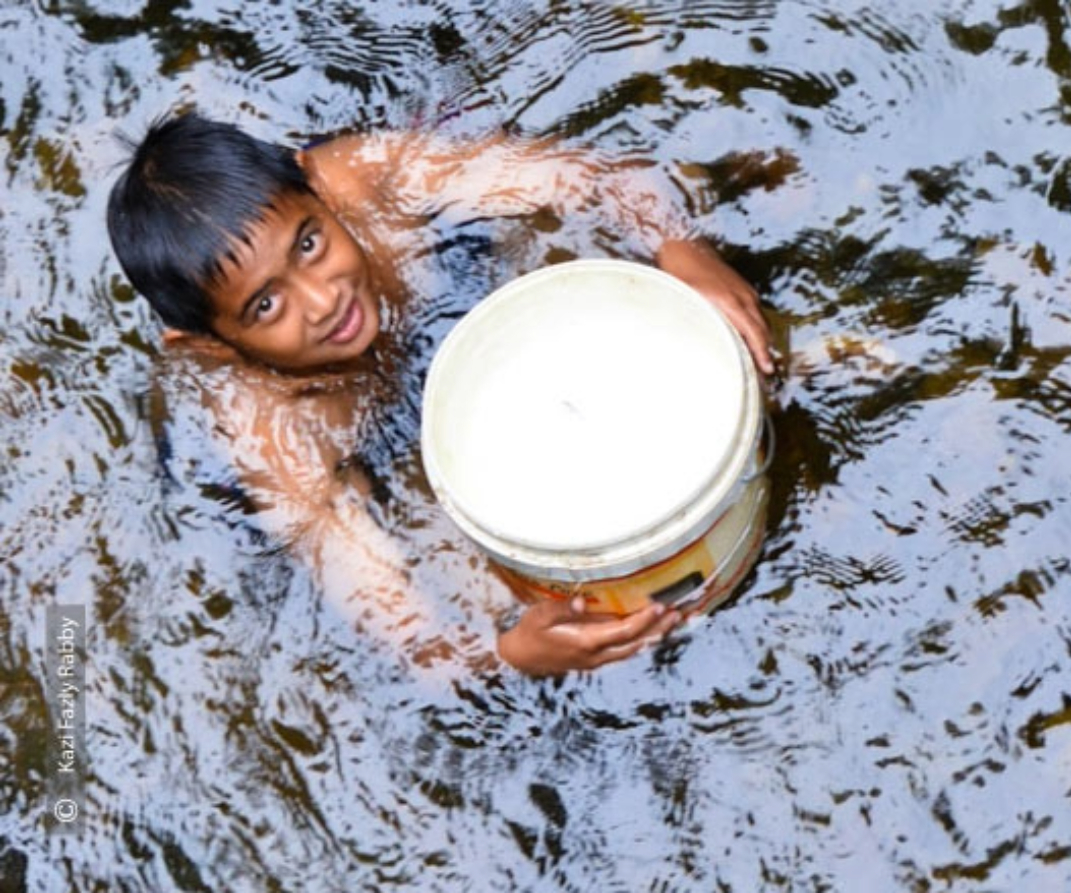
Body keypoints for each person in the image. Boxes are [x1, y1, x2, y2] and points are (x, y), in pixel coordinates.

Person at [106, 112, 775, 676]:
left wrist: (680, 247)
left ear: (314, 183)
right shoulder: (267, 431)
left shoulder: (368, 176)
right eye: (264, 305)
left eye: (309, 243)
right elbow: (403, 630)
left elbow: (591, 176)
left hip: (448, 312)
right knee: (467, 569)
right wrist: (509, 650)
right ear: (211, 344)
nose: (322, 298)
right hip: (363, 448)